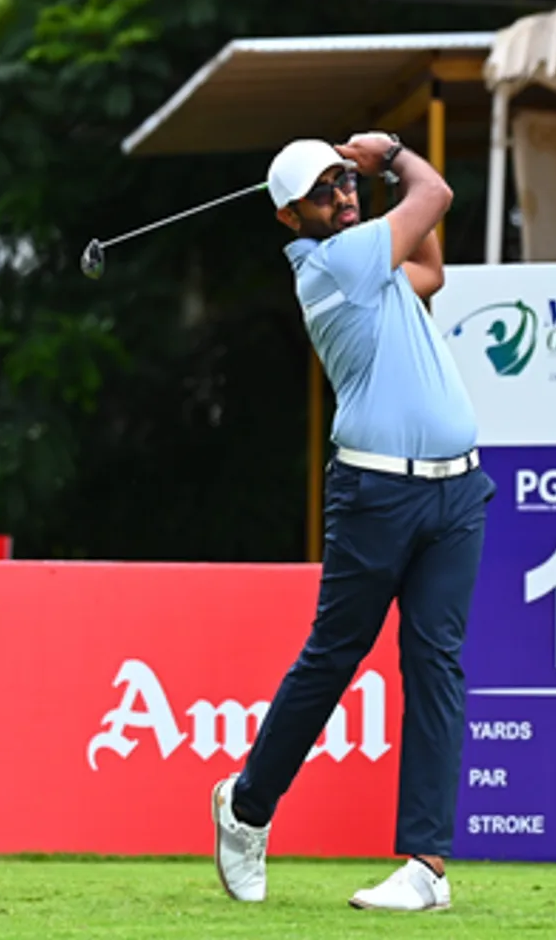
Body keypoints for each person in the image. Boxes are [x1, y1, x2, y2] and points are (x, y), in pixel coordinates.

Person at [209, 131, 494, 912]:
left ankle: (425, 868)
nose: (341, 195)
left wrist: (384, 176)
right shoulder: (336, 263)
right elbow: (434, 196)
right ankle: (246, 808)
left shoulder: (375, 263)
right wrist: (391, 154)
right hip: (376, 494)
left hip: (455, 493)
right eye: (323, 191)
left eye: (344, 181)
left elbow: (430, 268)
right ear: (288, 217)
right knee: (334, 657)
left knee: (435, 665)